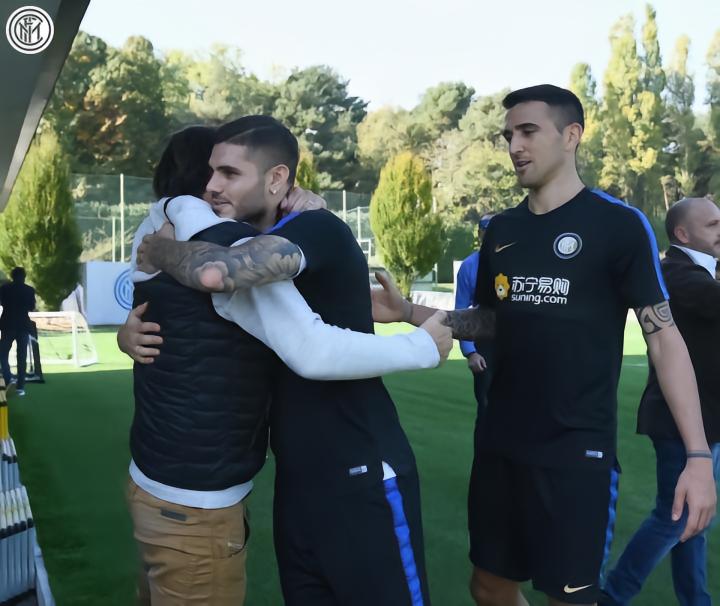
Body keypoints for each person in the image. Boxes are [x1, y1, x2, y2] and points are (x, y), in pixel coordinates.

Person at [370, 84, 716, 606]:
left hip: (576, 451)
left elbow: (664, 339)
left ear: (571, 135)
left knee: (570, 598)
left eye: (528, 131)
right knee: (488, 587)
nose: (515, 146)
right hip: (500, 442)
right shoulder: (502, 230)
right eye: (508, 135)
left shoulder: (619, 225)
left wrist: (697, 455)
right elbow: (490, 320)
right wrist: (408, 312)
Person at [120, 122, 450, 606]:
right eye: (210, 172)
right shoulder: (233, 238)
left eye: (229, 173)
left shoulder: (292, 231)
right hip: (279, 480)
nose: (213, 186)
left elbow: (223, 277)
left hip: (360, 468)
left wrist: (420, 336)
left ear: (276, 179)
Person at [601, 197, 720, 606]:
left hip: (705, 419)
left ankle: (696, 600)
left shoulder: (696, 273)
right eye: (713, 225)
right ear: (682, 233)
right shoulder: (675, 274)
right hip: (681, 419)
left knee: (693, 520)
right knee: (676, 515)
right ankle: (613, 596)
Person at [455, 214, 495, 415]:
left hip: (515, 341)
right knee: (486, 406)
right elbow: (461, 311)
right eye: (486, 232)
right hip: (484, 343)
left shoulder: (519, 262)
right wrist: (470, 352)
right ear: (479, 234)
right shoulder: (469, 266)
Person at [0, 267, 36, 397]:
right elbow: (31, 307)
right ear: (24, 276)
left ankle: (8, 378)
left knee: (2, 354)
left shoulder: (4, 289)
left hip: (7, 324)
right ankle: (20, 387)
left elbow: (2, 303)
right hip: (23, 325)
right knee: (22, 356)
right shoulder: (29, 290)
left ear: (12, 276)